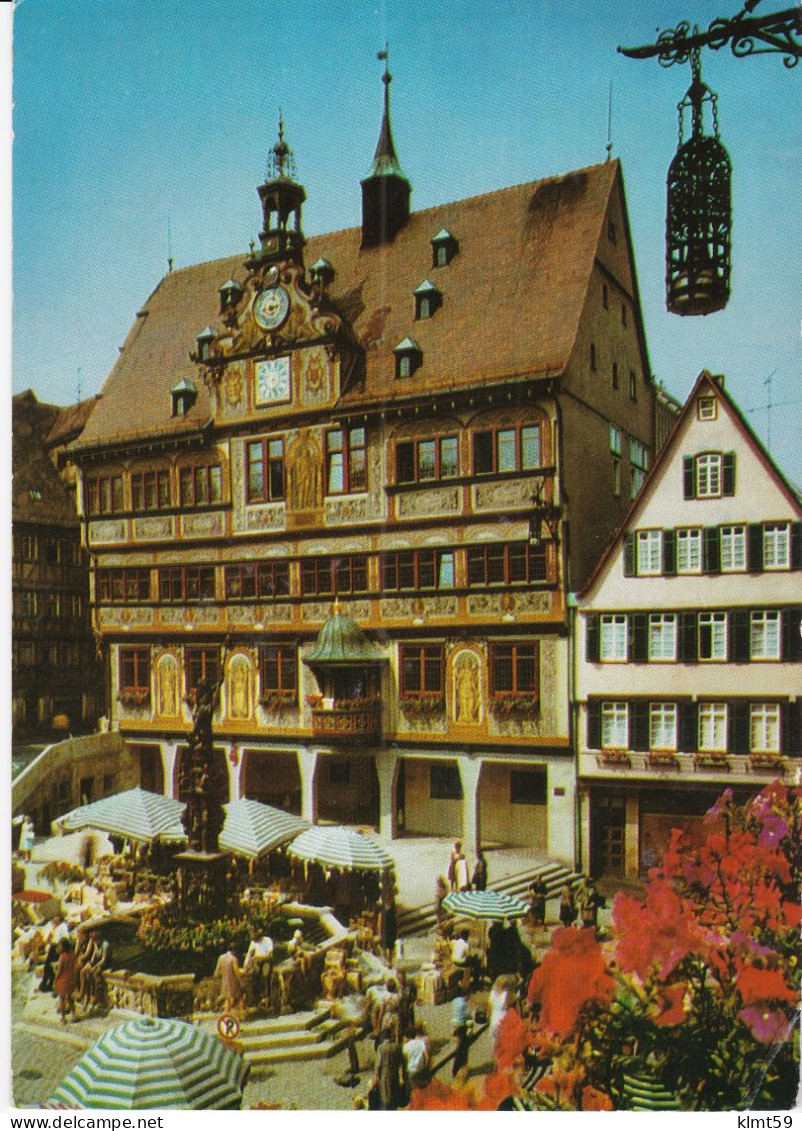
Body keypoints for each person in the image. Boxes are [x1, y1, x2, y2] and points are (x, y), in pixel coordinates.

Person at [372, 1023, 403, 1110]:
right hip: (394, 1072)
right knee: (394, 1092)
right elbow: (400, 1062)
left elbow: (378, 1064)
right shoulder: (396, 1047)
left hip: (384, 1074)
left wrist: (376, 1076)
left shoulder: (381, 1048)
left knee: (386, 1095)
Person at [40, 915, 71, 992]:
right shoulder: (55, 928)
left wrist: (59, 947)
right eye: (54, 920)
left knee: (50, 966)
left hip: (57, 949)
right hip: (53, 948)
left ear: (60, 921)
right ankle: (45, 983)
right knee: (47, 966)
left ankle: (48, 984)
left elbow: (65, 939)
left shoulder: (62, 927)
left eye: (57, 920)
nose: (55, 922)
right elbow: (48, 940)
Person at [243, 929, 274, 1005]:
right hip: (257, 961)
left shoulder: (268, 941)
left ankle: (267, 997)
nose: (255, 942)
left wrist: (258, 956)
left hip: (266, 960)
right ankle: (256, 997)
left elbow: (270, 955)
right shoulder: (253, 942)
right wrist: (246, 964)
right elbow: (249, 953)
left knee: (266, 975)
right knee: (255, 974)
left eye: (256, 940)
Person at [214, 941, 244, 1015]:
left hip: (224, 983)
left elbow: (217, 972)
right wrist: (242, 982)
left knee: (227, 1001)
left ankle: (228, 1018)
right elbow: (237, 972)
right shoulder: (233, 959)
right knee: (238, 999)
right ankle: (237, 1017)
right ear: (235, 951)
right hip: (233, 983)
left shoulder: (221, 957)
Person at [402, 1023, 431, 1093]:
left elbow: (405, 1061)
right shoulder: (421, 1043)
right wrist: (425, 1066)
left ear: (407, 1037)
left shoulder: (406, 1046)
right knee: (422, 1087)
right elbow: (427, 1056)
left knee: (414, 1090)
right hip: (421, 1068)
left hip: (412, 1070)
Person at [54, 938, 77, 1024]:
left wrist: (55, 980)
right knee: (70, 999)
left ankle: (63, 1018)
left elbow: (59, 971)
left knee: (62, 999)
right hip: (71, 978)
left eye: (60, 946)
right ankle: (74, 1016)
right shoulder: (73, 954)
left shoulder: (62, 956)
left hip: (63, 979)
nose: (59, 947)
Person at [451, 991, 471, 1078]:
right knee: (461, 1050)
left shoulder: (455, 1000)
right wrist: (470, 1015)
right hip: (461, 1027)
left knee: (459, 1047)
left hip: (455, 1025)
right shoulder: (463, 1004)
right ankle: (456, 1070)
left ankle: (461, 1068)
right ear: (465, 995)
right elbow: (466, 1016)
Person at [378, 893, 398, 963]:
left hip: (391, 930)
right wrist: (379, 933)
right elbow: (379, 922)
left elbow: (395, 920)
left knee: (391, 946)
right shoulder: (382, 910)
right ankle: (386, 960)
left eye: (389, 900)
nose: (388, 901)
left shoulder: (393, 909)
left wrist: (396, 931)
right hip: (385, 930)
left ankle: (390, 960)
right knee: (384, 946)